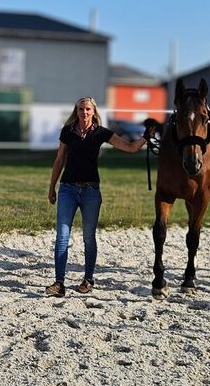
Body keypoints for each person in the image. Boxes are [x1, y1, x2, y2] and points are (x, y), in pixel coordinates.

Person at [45, 96, 148, 297]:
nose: (84, 112)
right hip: (67, 189)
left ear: (94, 112)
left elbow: (129, 148)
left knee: (89, 238)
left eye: (88, 109)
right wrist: (52, 187)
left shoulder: (101, 133)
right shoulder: (67, 132)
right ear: (76, 111)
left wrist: (146, 137)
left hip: (91, 192)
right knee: (62, 237)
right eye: (81, 109)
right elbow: (59, 161)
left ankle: (88, 279)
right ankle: (59, 283)